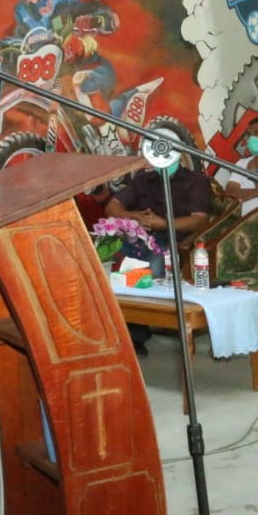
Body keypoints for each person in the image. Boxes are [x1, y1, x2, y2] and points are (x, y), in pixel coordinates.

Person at [105, 135, 211, 353]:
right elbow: (112, 207)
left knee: (152, 266)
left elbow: (199, 219)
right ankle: (131, 331)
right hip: (140, 237)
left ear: (177, 153)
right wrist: (132, 216)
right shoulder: (144, 179)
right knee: (120, 269)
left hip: (176, 238)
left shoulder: (195, 180)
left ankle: (146, 328)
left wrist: (164, 224)